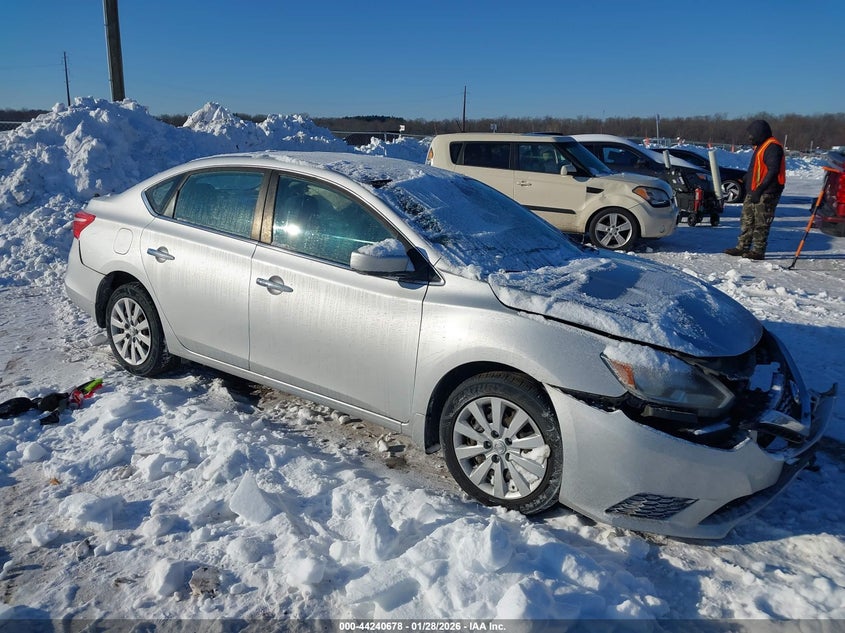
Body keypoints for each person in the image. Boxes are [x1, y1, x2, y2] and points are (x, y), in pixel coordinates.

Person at [724, 120, 786, 260]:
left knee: (761, 222)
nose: (749, 137)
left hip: (767, 192)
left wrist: (760, 189)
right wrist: (745, 178)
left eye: (752, 134)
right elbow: (757, 168)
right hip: (753, 189)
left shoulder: (772, 147)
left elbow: (773, 170)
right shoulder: (761, 146)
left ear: (760, 133)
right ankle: (742, 247)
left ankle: (758, 250)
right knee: (747, 219)